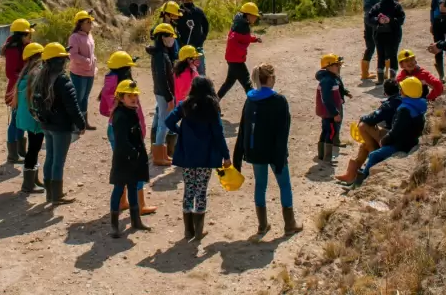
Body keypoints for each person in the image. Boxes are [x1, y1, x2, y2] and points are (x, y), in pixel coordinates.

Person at [232, 63, 303, 239]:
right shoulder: (279, 100)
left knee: (260, 185)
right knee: (284, 185)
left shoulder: (250, 99)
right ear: (270, 78)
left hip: (256, 151)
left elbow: (243, 128)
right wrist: (280, 156)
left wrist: (239, 156)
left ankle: (262, 226)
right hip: (274, 151)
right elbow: (283, 131)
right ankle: (289, 224)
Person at [165, 77, 230, 241]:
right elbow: (218, 134)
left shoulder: (185, 105)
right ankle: (199, 231)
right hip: (205, 157)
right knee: (201, 191)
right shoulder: (212, 108)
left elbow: (169, 121)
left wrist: (180, 132)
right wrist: (226, 156)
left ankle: (188, 231)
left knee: (189, 189)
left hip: (187, 155)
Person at [99, 51, 156, 215]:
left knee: (122, 164)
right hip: (129, 130)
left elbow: (104, 110)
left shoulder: (109, 84)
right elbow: (137, 115)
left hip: (113, 128)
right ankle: (139, 205)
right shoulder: (127, 87)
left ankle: (122, 202)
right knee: (136, 166)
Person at [31, 42, 86, 205]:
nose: (65, 61)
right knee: (58, 160)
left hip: (46, 124)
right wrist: (81, 124)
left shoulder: (40, 77)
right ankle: (57, 195)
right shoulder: (63, 81)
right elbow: (73, 106)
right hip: (61, 127)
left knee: (50, 157)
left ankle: (50, 193)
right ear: (59, 61)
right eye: (63, 59)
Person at [353, 77, 427, 185]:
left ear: (405, 91)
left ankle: (360, 182)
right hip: (412, 140)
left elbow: (396, 130)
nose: (400, 90)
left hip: (402, 144)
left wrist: (384, 141)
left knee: (374, 155)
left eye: (402, 88)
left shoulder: (404, 109)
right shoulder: (421, 104)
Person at [334, 79, 402, 183]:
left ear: (385, 92)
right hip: (394, 134)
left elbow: (373, 118)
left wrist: (362, 118)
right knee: (364, 145)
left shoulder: (390, 104)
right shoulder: (400, 100)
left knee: (363, 126)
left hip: (391, 136)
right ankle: (351, 175)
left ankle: (371, 152)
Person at [109, 80, 152, 238]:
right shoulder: (120, 116)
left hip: (134, 159)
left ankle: (136, 221)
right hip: (123, 160)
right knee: (119, 189)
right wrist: (134, 153)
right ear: (121, 98)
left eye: (135, 95)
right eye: (130, 95)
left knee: (133, 188)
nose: (134, 98)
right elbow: (121, 141)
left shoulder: (132, 110)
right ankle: (114, 225)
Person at [2, 18, 35, 164]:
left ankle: (20, 151)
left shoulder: (22, 47)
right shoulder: (13, 50)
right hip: (16, 91)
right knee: (15, 122)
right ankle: (13, 154)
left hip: (23, 88)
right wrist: (25, 79)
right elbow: (10, 73)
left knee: (20, 121)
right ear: (22, 35)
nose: (30, 38)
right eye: (29, 35)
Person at [14, 42, 45, 193]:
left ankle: (33, 179)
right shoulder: (37, 74)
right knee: (34, 148)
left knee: (34, 147)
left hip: (26, 118)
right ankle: (28, 184)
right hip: (34, 119)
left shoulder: (25, 74)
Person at [216, 2, 263, 100]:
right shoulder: (241, 26)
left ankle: (214, 103)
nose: (255, 18)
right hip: (236, 60)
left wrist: (254, 39)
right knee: (247, 83)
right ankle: (255, 104)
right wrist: (242, 52)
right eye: (254, 16)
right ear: (248, 15)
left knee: (229, 83)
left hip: (233, 59)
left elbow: (244, 38)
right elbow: (233, 40)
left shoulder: (241, 24)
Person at [147, 23, 178, 166]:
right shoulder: (160, 55)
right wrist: (169, 97)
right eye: (171, 36)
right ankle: (158, 156)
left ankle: (162, 154)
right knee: (163, 124)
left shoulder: (162, 52)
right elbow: (162, 79)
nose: (172, 39)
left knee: (163, 123)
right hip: (163, 94)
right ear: (163, 37)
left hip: (162, 93)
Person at [366, 0, 406, 84]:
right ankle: (380, 78)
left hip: (394, 35)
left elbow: (401, 19)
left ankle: (393, 78)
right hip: (380, 35)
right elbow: (369, 18)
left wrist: (390, 20)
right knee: (381, 56)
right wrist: (378, 20)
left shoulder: (397, 6)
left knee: (393, 55)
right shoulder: (377, 6)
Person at [314, 53, 346, 166]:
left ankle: (321, 156)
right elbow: (326, 98)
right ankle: (327, 159)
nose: (339, 67)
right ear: (328, 66)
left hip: (326, 112)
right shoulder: (328, 80)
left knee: (325, 131)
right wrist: (335, 113)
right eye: (336, 65)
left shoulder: (329, 78)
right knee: (331, 132)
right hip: (329, 112)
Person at [68, 10, 97, 130]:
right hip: (79, 73)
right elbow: (72, 55)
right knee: (78, 98)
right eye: (88, 22)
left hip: (89, 72)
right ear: (80, 24)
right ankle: (76, 124)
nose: (90, 24)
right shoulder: (74, 37)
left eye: (91, 22)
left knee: (85, 98)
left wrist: (93, 60)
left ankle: (84, 123)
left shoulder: (89, 36)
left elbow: (91, 52)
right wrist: (87, 61)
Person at [361, 0, 388, 81]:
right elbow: (367, 11)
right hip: (371, 26)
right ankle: (365, 73)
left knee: (384, 48)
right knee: (371, 47)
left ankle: (385, 73)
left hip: (382, 26)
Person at [177, 0, 210, 75]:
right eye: (187, 0)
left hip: (194, 46)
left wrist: (203, 37)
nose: (188, 2)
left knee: (198, 71)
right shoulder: (178, 13)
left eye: (189, 0)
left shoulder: (197, 12)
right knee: (191, 72)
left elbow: (206, 25)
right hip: (187, 47)